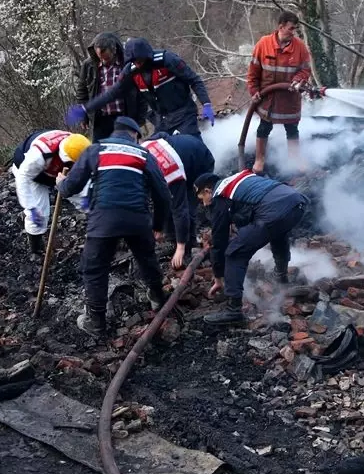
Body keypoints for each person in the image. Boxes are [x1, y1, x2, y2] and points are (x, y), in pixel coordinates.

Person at [56, 117, 171, 337]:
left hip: (104, 220)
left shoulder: (96, 150)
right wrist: (157, 225)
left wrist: (60, 182)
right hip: (137, 218)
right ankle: (157, 298)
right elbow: (163, 194)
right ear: (135, 134)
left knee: (95, 268)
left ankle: (96, 322)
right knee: (147, 258)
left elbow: (71, 187)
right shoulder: (143, 154)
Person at [194, 170, 308, 325]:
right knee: (278, 234)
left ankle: (233, 311)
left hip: (273, 210)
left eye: (202, 198)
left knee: (234, 253)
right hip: (296, 202)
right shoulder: (239, 179)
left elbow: (219, 241)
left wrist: (218, 276)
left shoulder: (220, 195)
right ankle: (281, 277)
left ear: (208, 190)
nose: (204, 204)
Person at [68, 38, 213, 137]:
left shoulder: (167, 60)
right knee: (155, 153)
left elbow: (194, 80)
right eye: (133, 62)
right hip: (161, 120)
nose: (137, 65)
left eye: (139, 61)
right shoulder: (130, 71)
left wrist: (206, 103)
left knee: (190, 146)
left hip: (184, 113)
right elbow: (112, 93)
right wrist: (86, 108)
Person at [247, 11, 313, 173]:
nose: (293, 32)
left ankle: (294, 157)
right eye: (291, 28)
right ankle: (259, 159)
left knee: (291, 129)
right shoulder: (264, 44)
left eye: (295, 29)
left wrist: (298, 79)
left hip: (289, 99)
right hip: (267, 99)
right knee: (264, 128)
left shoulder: (300, 48)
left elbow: (305, 71)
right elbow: (253, 70)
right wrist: (254, 90)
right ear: (281, 26)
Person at [142, 131, 215, 270]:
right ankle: (171, 237)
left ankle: (187, 247)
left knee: (187, 206)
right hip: (181, 151)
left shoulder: (170, 175)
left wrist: (180, 247)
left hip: (200, 163)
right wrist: (157, 226)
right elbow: (161, 134)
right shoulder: (142, 152)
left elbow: (180, 210)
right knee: (168, 200)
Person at [11, 129, 91, 255]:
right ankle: (37, 251)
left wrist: (87, 199)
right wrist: (30, 207)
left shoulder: (81, 147)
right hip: (33, 176)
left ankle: (102, 231)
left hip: (60, 175)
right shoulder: (39, 154)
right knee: (39, 214)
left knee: (88, 200)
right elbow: (23, 178)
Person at [75, 32, 147, 140]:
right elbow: (82, 92)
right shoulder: (89, 65)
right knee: (100, 153)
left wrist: (140, 118)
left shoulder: (127, 63)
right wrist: (83, 116)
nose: (103, 61)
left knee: (125, 152)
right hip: (100, 120)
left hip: (125, 118)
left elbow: (141, 90)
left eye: (106, 58)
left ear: (114, 50)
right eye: (100, 58)